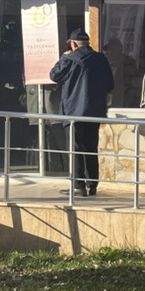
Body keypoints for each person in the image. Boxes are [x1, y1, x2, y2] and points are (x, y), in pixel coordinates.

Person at [49, 28, 114, 197]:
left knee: (75, 148)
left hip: (73, 112)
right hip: (94, 111)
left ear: (73, 44)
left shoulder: (69, 59)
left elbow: (54, 76)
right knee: (91, 147)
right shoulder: (100, 59)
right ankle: (92, 185)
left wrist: (63, 57)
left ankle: (78, 186)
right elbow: (110, 84)